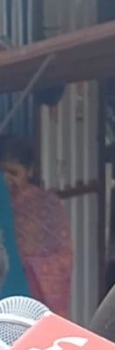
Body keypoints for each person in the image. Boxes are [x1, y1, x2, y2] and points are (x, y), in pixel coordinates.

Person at [0, 135, 70, 314]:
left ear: (30, 171)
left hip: (34, 295)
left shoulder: (47, 205)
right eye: (1, 172)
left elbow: (64, 255)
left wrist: (29, 266)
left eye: (13, 172)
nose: (6, 179)